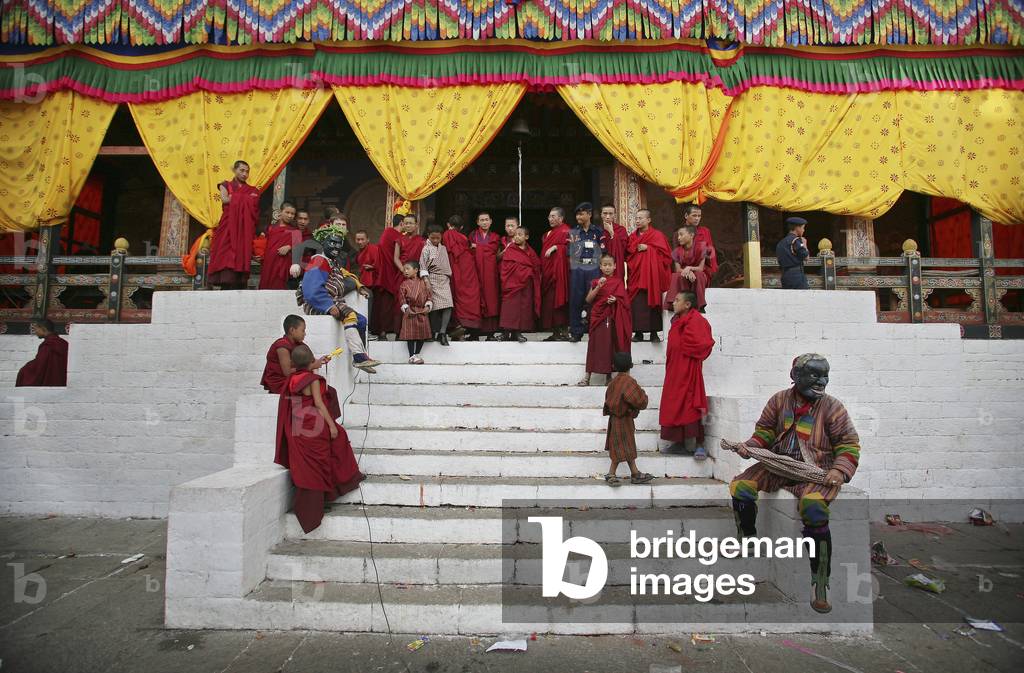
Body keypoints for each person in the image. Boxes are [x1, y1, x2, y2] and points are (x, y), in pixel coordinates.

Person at [726, 353, 861, 613]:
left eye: (825, 375)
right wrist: (751, 447)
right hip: (779, 465)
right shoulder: (778, 400)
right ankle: (748, 539)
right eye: (814, 375)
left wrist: (839, 471)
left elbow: (848, 445)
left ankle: (820, 582)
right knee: (740, 486)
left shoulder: (833, 407)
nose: (822, 381)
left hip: (817, 471)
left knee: (813, 508)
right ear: (795, 376)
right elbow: (764, 432)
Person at [274, 344, 365, 534]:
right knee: (328, 454)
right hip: (315, 424)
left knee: (308, 468)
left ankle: (317, 503)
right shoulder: (313, 380)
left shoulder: (292, 378)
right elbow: (318, 404)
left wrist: (317, 363)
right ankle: (340, 486)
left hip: (298, 425)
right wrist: (332, 425)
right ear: (310, 361)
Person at [297, 222, 381, 373]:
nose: (336, 247)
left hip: (333, 302)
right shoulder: (319, 260)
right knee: (350, 314)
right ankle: (359, 357)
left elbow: (348, 275)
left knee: (361, 321)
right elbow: (311, 290)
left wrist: (359, 286)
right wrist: (328, 306)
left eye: (339, 244)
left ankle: (362, 358)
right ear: (323, 243)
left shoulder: (332, 263)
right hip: (317, 305)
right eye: (332, 243)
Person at [659, 291, 714, 460]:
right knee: (674, 403)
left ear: (687, 305)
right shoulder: (676, 322)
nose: (673, 303)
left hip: (689, 370)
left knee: (691, 403)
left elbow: (704, 343)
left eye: (677, 300)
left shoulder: (697, 321)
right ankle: (679, 442)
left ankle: (699, 444)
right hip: (674, 370)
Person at [603, 352, 655, 486]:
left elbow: (608, 400)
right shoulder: (629, 382)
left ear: (614, 366)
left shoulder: (612, 383)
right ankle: (612, 473)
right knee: (622, 445)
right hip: (624, 418)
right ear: (630, 366)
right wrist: (643, 397)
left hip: (614, 418)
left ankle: (634, 473)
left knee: (624, 445)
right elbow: (640, 401)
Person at [579, 254, 632, 386]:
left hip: (611, 316)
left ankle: (608, 377)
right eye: (604, 265)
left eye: (610, 265)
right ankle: (587, 376)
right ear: (600, 266)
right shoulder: (596, 281)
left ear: (615, 266)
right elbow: (588, 299)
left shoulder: (618, 282)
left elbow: (625, 302)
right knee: (594, 345)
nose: (607, 267)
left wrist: (616, 300)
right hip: (598, 317)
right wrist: (598, 287)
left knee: (609, 345)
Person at [209, 160, 260, 289]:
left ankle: (239, 280)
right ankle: (224, 280)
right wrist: (243, 198)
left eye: (247, 171)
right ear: (234, 170)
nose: (244, 174)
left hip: (244, 228)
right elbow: (224, 199)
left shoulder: (252, 189)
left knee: (241, 253)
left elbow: (254, 206)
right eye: (242, 170)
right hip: (227, 226)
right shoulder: (225, 185)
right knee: (225, 252)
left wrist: (235, 197)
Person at [626, 209, 672, 342]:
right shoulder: (633, 237)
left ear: (649, 220)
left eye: (641, 218)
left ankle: (654, 333)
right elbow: (628, 254)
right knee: (637, 305)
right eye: (636, 218)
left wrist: (649, 248)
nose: (638, 221)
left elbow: (666, 257)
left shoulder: (657, 235)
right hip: (636, 275)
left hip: (652, 277)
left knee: (653, 303)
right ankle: (638, 333)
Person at [260, 314, 328, 394]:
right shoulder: (282, 346)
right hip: (281, 383)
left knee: (327, 389)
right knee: (315, 387)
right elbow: (287, 372)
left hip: (294, 380)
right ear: (292, 330)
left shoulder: (300, 345)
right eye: (303, 330)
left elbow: (309, 361)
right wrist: (312, 366)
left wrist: (321, 360)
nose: (304, 334)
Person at [567, 202, 603, 342]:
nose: (578, 216)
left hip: (594, 269)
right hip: (578, 270)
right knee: (576, 299)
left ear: (589, 214)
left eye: (581, 213)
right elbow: (569, 254)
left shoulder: (598, 232)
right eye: (577, 214)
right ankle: (576, 332)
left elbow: (603, 252)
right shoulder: (573, 232)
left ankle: (594, 330)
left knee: (594, 299)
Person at [498, 226, 541, 343]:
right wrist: (524, 271)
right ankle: (506, 333)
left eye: (520, 235)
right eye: (515, 235)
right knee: (509, 308)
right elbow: (505, 268)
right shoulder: (510, 250)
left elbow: (536, 266)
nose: (516, 237)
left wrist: (529, 272)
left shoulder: (530, 251)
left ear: (526, 237)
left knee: (522, 309)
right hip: (511, 284)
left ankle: (518, 333)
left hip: (525, 285)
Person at [443, 215, 482, 338]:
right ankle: (468, 326)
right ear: (462, 227)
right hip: (469, 269)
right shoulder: (465, 239)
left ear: (448, 225)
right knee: (470, 295)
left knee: (457, 295)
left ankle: (458, 326)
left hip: (455, 268)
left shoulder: (447, 234)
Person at [664, 224, 716, 312]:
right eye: (678, 236)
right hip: (684, 274)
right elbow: (678, 269)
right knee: (675, 276)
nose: (679, 238)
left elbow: (701, 268)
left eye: (681, 235)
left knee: (699, 275)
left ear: (691, 235)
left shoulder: (701, 247)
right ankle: (676, 303)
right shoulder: (677, 251)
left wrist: (689, 268)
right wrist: (687, 271)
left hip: (698, 274)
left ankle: (700, 306)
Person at [419, 224, 454, 345]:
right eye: (433, 238)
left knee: (448, 305)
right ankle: (432, 332)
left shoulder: (443, 248)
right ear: (428, 236)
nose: (435, 240)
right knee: (433, 307)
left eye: (438, 238)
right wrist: (426, 280)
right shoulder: (426, 249)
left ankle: (442, 332)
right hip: (432, 278)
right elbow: (422, 266)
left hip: (444, 279)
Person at [469, 211, 501, 340]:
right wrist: (483, 248)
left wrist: (478, 247)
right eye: (481, 220)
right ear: (477, 222)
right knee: (475, 301)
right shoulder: (472, 235)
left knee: (491, 300)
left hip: (490, 273)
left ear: (491, 221)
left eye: (486, 219)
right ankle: (474, 333)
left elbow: (493, 250)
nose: (484, 222)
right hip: (475, 272)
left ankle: (490, 333)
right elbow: (469, 251)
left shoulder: (495, 236)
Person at [540, 206, 571, 341]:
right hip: (548, 273)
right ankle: (555, 332)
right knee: (550, 302)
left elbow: (572, 250)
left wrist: (557, 247)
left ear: (561, 218)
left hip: (560, 274)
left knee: (560, 299)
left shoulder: (567, 231)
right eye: (549, 216)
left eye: (554, 216)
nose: (550, 219)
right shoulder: (548, 234)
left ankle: (563, 331)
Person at [374, 212, 405, 340]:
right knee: (388, 304)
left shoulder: (388, 233)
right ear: (402, 223)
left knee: (387, 304)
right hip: (392, 272)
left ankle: (385, 331)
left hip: (388, 272)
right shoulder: (393, 234)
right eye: (406, 223)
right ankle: (385, 331)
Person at [258, 202, 299, 290]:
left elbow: (299, 247)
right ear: (280, 212)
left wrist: (289, 247)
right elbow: (262, 244)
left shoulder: (295, 231)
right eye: (287, 212)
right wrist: (259, 254)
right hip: (269, 264)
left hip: (283, 265)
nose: (290, 216)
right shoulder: (270, 228)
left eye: (292, 214)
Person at [15, 319, 68, 387]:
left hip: (49, 384)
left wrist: (24, 370)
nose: (35, 332)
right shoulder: (64, 343)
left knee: (24, 372)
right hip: (61, 382)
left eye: (36, 329)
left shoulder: (47, 345)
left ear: (43, 328)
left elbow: (39, 366)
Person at [399, 260, 432, 364]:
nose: (405, 271)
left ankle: (417, 354)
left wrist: (428, 305)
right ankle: (411, 356)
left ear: (416, 270)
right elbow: (402, 298)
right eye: (404, 269)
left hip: (422, 311)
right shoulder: (404, 284)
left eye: (408, 269)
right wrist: (406, 308)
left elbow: (429, 296)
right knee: (410, 335)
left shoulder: (424, 282)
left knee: (421, 334)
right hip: (410, 311)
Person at [778, 216, 811, 289]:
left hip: (785, 276)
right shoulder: (796, 241)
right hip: (796, 276)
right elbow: (806, 257)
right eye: (803, 228)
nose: (803, 230)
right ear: (797, 228)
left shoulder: (781, 243)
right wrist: (804, 243)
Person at [599, 203, 628, 280]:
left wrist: (612, 232)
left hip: (616, 266)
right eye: (605, 213)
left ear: (615, 215)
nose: (607, 216)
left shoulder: (621, 230)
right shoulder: (597, 230)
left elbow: (623, 249)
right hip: (600, 267)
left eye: (610, 213)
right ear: (601, 214)